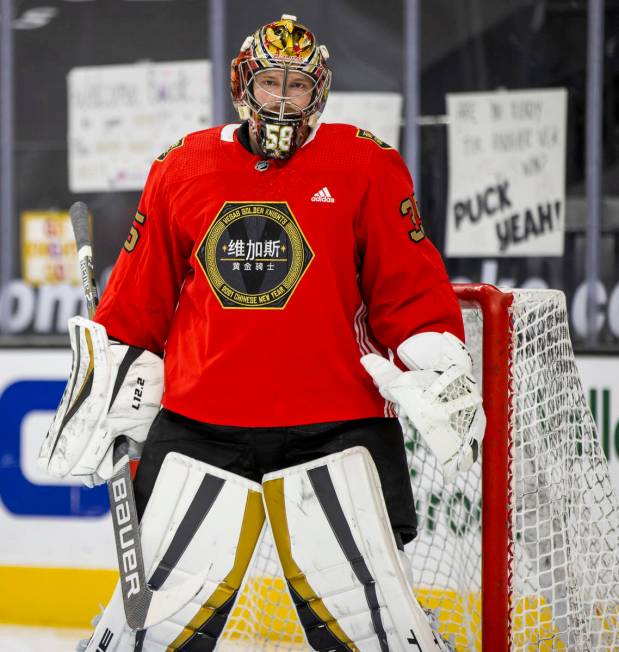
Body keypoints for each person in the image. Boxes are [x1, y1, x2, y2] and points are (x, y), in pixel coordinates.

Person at [40, 14, 484, 652]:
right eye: (269, 82)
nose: (281, 98)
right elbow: (137, 302)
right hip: (202, 424)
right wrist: (113, 373)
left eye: (297, 85)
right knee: (153, 630)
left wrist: (435, 354)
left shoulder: (367, 163)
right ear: (241, 85)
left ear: (318, 92)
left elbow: (406, 290)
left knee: (374, 628)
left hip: (336, 422)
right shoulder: (181, 166)